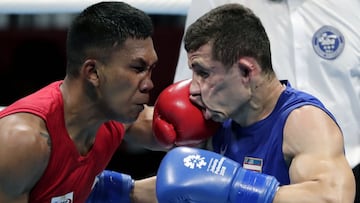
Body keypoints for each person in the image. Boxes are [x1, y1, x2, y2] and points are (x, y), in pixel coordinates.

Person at [154, 3, 356, 202]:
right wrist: (126, 187)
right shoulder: (218, 119)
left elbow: (332, 198)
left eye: (203, 73)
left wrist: (239, 187)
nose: (193, 88)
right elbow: (181, 183)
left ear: (246, 71)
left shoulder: (302, 122)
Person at [0, 1, 162, 202]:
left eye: (150, 69)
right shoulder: (22, 141)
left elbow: (172, 130)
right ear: (93, 72)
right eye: (138, 69)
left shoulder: (111, 118)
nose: (149, 84)